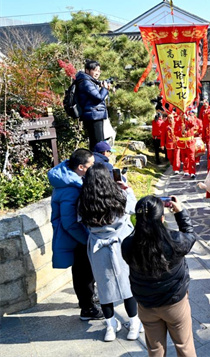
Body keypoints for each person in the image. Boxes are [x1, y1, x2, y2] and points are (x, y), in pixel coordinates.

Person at [122, 196, 197, 357]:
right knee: (184, 345)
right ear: (162, 218)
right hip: (174, 304)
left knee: (155, 349)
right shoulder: (174, 241)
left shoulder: (128, 244)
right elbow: (190, 236)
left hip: (146, 305)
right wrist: (181, 213)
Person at [78, 163, 141, 342]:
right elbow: (134, 208)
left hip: (98, 247)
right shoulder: (118, 196)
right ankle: (134, 324)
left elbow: (80, 220)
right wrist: (127, 188)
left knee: (104, 288)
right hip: (121, 244)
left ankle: (110, 327)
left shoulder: (84, 200)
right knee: (127, 285)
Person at [47, 149, 102, 321]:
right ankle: (87, 309)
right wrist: (87, 240)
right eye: (90, 165)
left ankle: (87, 301)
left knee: (84, 271)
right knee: (83, 272)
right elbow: (69, 222)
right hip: (76, 238)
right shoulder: (71, 188)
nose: (93, 168)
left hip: (78, 236)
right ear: (80, 167)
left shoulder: (69, 178)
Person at [76, 60, 112, 150]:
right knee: (98, 143)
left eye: (99, 71)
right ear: (87, 70)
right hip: (93, 115)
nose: (97, 73)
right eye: (95, 70)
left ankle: (94, 161)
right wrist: (104, 88)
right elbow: (98, 97)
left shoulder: (89, 81)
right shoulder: (85, 82)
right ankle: (96, 162)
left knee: (97, 142)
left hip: (94, 114)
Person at [177, 111, 199, 178]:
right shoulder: (177, 123)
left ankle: (192, 172)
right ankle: (186, 170)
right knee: (185, 158)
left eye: (183, 114)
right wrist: (181, 132)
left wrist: (187, 119)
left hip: (190, 143)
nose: (182, 116)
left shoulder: (189, 121)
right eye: (181, 114)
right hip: (182, 143)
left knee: (192, 158)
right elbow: (175, 132)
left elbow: (193, 124)